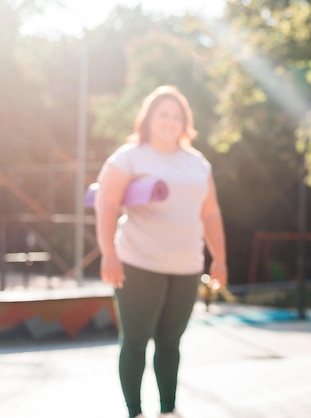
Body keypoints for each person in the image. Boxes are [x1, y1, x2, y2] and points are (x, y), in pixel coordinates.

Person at [95, 85, 228, 418]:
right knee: (136, 341)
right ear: (149, 119)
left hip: (186, 267)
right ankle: (134, 412)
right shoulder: (129, 157)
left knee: (170, 343)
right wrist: (108, 254)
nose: (170, 121)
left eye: (176, 115)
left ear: (184, 122)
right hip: (139, 263)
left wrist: (220, 259)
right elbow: (106, 204)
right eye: (163, 115)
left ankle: (168, 411)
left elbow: (210, 213)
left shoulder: (197, 163)